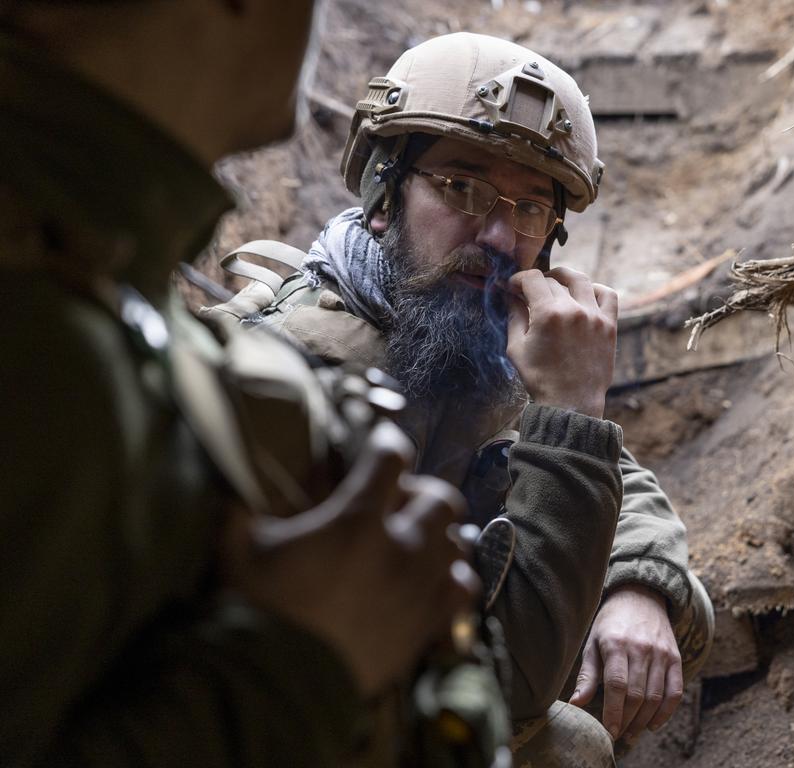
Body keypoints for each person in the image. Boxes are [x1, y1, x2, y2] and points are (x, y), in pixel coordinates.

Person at [0, 2, 484, 766]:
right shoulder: (44, 345)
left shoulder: (97, 263)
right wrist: (297, 664)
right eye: (462, 187)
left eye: (529, 205)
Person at [211, 32, 714, 765]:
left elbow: (620, 484)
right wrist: (572, 412)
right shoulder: (283, 369)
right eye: (461, 187)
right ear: (384, 192)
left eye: (533, 207)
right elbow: (510, 688)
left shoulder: (463, 345)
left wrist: (642, 585)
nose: (501, 233)